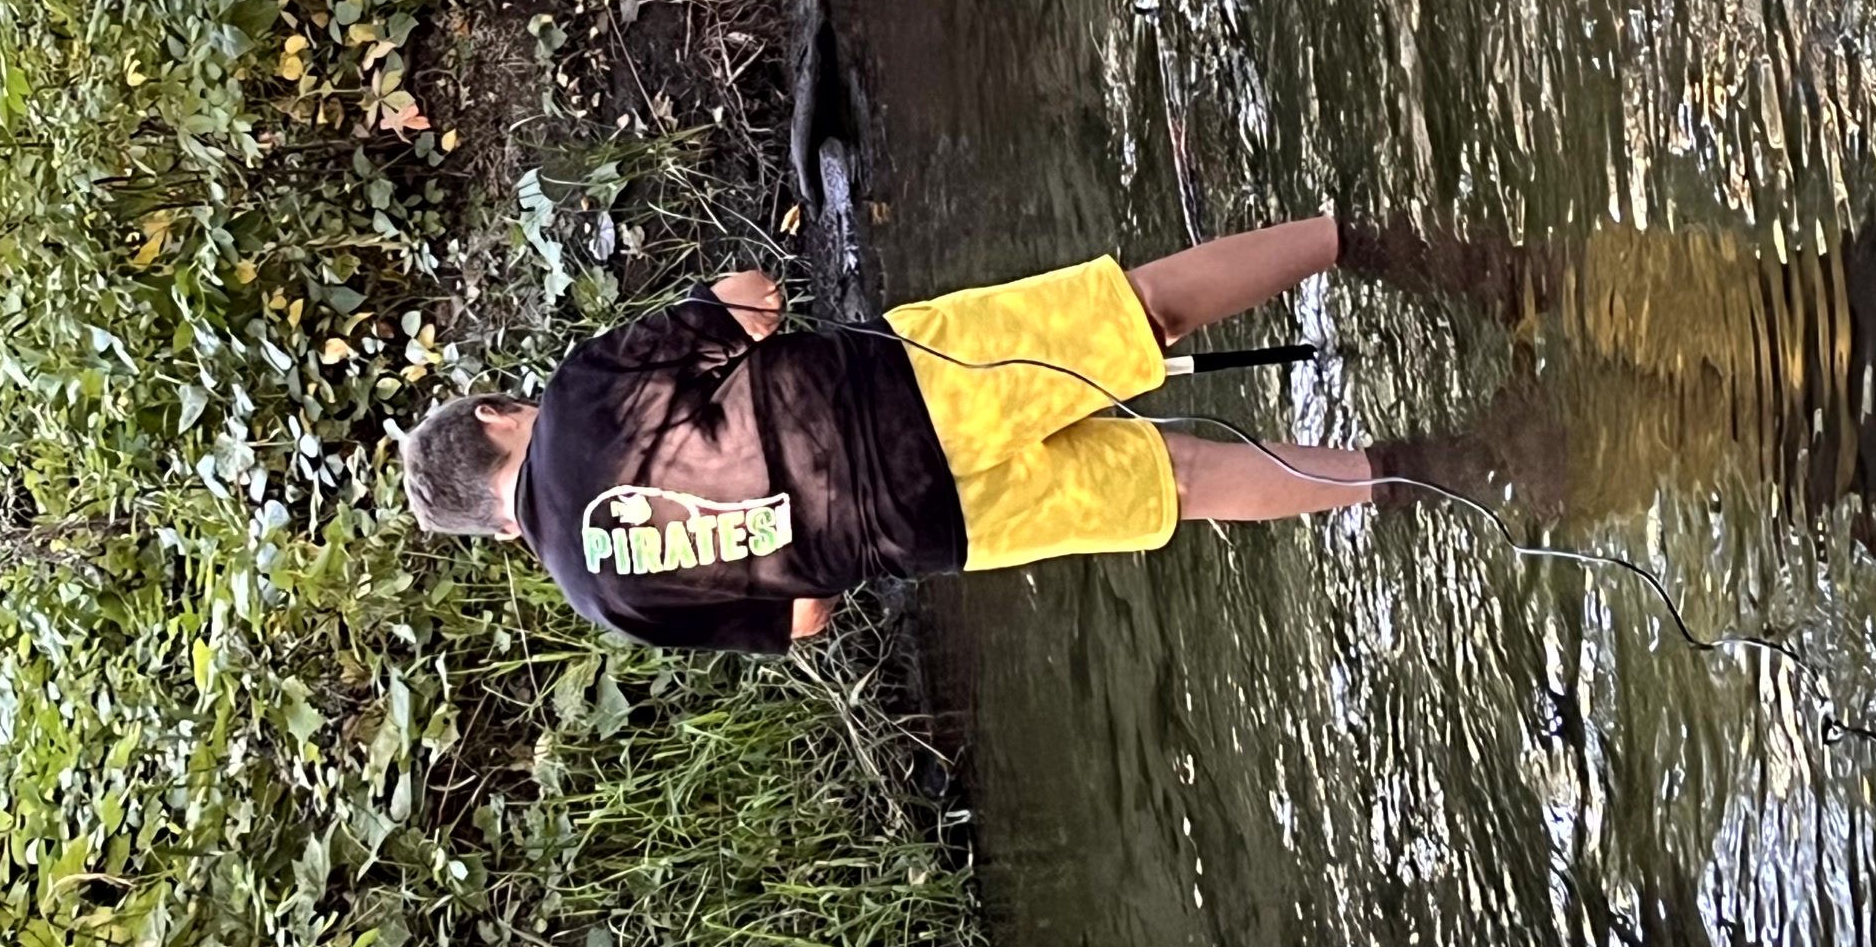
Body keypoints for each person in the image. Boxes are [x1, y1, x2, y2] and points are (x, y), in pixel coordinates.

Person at [394, 216, 1554, 654]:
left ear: (494, 533)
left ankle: (1434, 472)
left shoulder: (609, 603)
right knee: (1145, 312)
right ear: (496, 419)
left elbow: (799, 618)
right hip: (908, 391)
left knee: (1181, 482)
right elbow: (751, 306)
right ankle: (1393, 245)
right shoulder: (580, 389)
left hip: (925, 528)